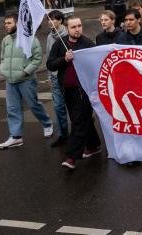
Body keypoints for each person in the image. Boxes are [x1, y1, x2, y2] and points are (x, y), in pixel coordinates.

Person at [46, 16, 101, 170]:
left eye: (79, 26)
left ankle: (71, 157)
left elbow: (96, 65)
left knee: (78, 122)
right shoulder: (59, 43)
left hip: (83, 90)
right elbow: (50, 64)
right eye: (74, 27)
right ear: (67, 28)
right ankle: (94, 145)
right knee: (82, 120)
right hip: (67, 90)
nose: (77, 29)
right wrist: (64, 59)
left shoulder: (87, 44)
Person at [0, 14, 53, 149]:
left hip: (26, 80)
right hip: (10, 80)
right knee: (12, 108)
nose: (6, 25)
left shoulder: (29, 39)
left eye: (9, 23)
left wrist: (24, 72)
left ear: (17, 23)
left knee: (33, 105)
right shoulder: (6, 40)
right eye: (5, 23)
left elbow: (38, 58)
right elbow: (3, 57)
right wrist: (3, 69)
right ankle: (16, 137)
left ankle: (47, 123)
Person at [46, 10, 69, 147]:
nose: (50, 22)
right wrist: (49, 76)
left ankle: (80, 134)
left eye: (53, 19)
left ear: (60, 21)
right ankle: (63, 135)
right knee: (58, 107)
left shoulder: (66, 35)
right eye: (49, 19)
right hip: (55, 77)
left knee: (73, 107)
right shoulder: (50, 37)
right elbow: (50, 59)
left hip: (66, 77)